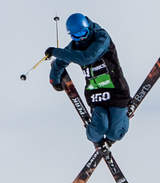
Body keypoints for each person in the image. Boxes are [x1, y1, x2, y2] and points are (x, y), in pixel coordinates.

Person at [47, 13, 131, 147]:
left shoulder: (101, 37)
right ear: (71, 35)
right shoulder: (75, 45)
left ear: (88, 27)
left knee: (115, 133)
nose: (81, 38)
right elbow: (60, 62)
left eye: (83, 33)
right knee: (98, 129)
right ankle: (98, 142)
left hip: (116, 92)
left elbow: (87, 57)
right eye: (76, 36)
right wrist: (54, 80)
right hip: (96, 94)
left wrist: (55, 51)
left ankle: (121, 119)